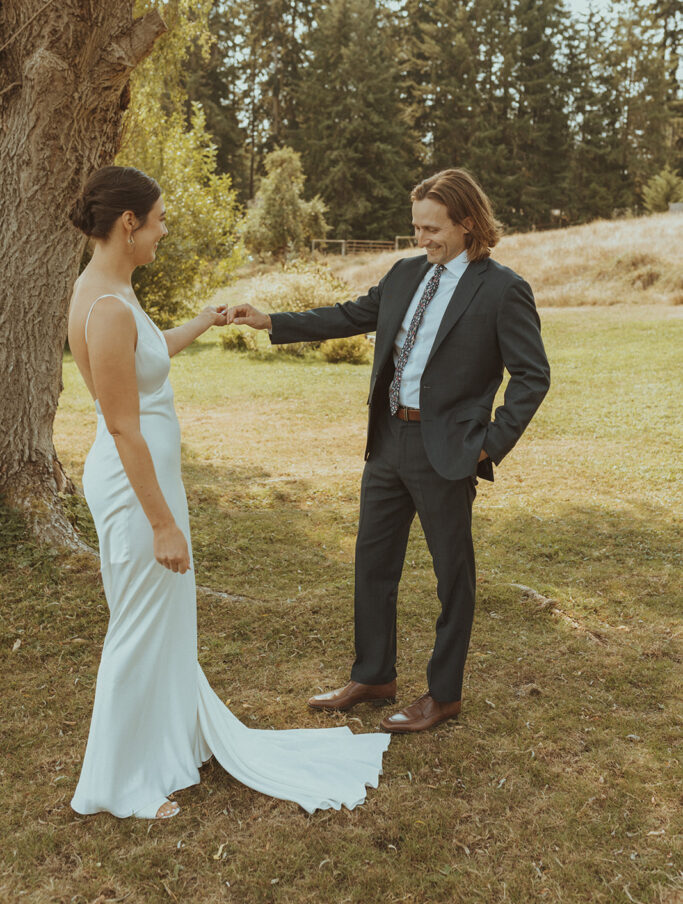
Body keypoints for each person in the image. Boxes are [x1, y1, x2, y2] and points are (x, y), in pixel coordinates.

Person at [67, 165, 389, 821]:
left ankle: (167, 746)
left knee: (161, 623)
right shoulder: (102, 305)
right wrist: (161, 524)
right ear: (129, 223)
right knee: (136, 628)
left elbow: (149, 350)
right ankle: (120, 785)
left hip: (150, 484)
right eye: (158, 220)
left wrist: (204, 322)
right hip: (136, 491)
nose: (163, 231)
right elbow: (124, 426)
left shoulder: (113, 291)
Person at [227, 168, 550, 734]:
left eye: (432, 229)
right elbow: (350, 315)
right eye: (416, 227)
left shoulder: (501, 289)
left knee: (454, 576)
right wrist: (271, 321)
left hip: (449, 451)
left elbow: (531, 376)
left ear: (467, 223)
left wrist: (488, 446)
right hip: (388, 443)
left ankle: (443, 694)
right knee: (373, 564)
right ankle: (374, 674)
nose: (421, 239)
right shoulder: (404, 274)